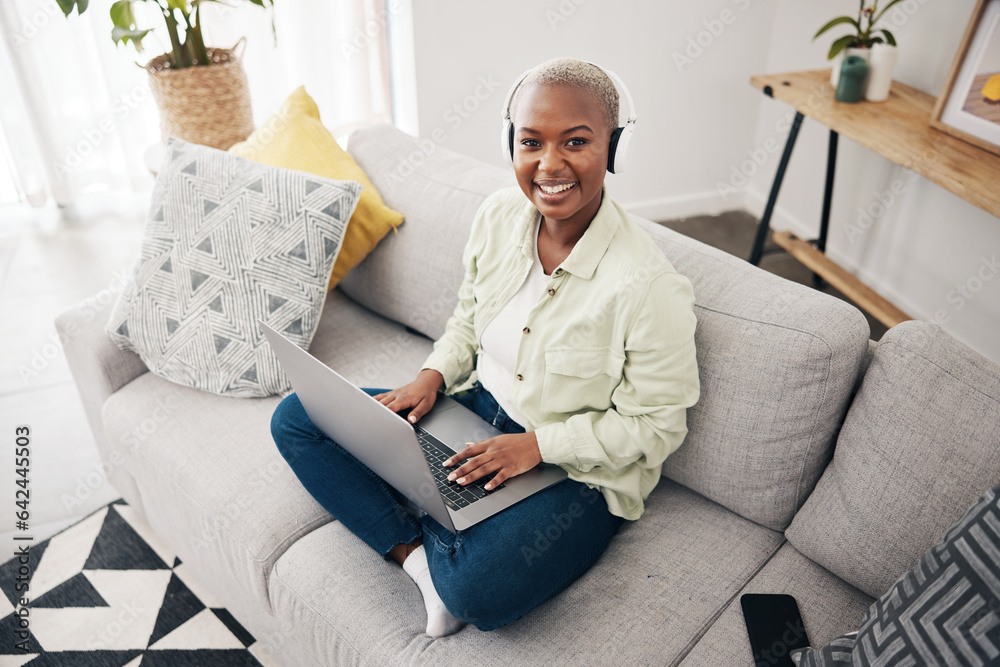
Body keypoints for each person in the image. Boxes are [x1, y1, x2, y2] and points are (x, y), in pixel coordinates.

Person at [270, 57, 700, 638]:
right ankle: (422, 561)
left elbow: (656, 428)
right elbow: (469, 321)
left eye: (576, 141)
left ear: (612, 147)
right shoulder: (499, 216)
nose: (550, 165)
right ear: (512, 145)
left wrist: (536, 447)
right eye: (531, 142)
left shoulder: (649, 289)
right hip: (474, 416)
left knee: (480, 590)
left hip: (577, 476)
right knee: (300, 417)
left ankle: (439, 530)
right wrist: (433, 374)